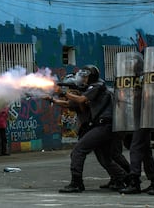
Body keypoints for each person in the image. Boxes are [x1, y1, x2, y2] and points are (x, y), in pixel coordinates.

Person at [50, 65, 127, 193]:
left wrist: (63, 92)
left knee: (78, 151)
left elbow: (80, 99)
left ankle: (76, 183)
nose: (83, 79)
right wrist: (54, 98)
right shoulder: (95, 87)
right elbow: (77, 101)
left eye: (85, 77)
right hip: (103, 126)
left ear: (91, 77)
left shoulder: (96, 86)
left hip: (104, 125)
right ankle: (125, 178)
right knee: (105, 158)